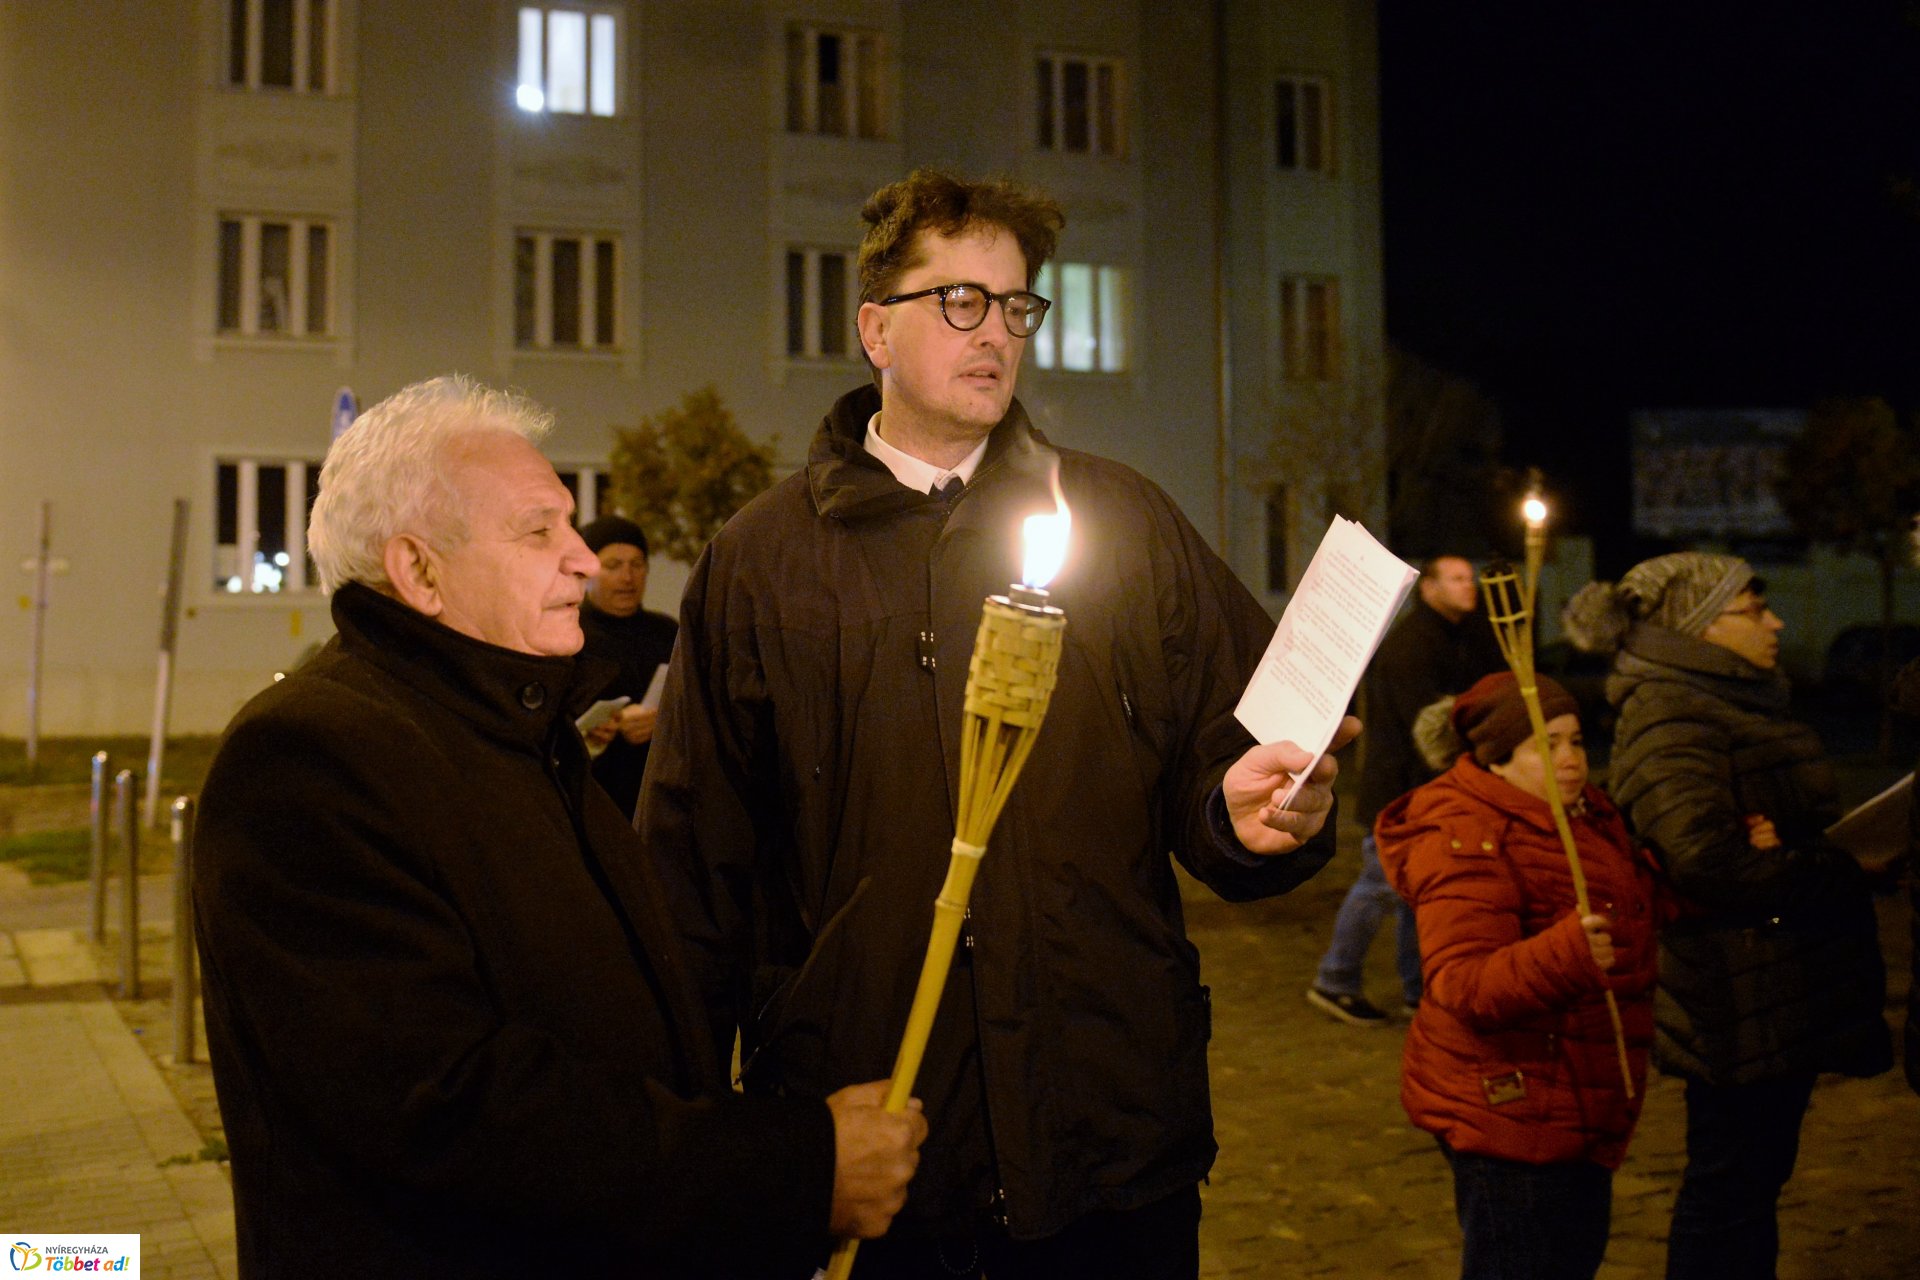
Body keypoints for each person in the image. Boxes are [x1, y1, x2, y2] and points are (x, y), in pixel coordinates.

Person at [637, 169, 1355, 1278]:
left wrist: (1255, 813)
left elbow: (1226, 764)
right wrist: (715, 1146)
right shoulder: (763, 558)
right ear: (877, 326)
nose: (997, 332)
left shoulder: (1121, 521)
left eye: (1016, 304)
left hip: (1109, 1137)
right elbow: (694, 866)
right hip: (875, 1141)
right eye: (959, 301)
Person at [193, 376, 926, 1278]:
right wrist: (796, 1167)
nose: (584, 559)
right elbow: (448, 1110)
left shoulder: (517, 730)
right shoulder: (311, 760)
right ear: (418, 569)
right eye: (540, 530)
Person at [1563, 552, 1891, 1280]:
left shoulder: (1723, 700)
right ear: (1701, 625)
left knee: (1750, 1186)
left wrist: (1794, 843)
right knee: (1729, 1192)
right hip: (1736, 992)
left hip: (1769, 983)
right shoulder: (1673, 710)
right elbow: (1703, 858)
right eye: (1753, 608)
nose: (1774, 621)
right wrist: (1832, 865)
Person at [1377, 672, 1662, 1280]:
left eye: (1577, 742)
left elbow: (1626, 905)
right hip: (1508, 1108)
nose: (1571, 761)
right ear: (1497, 760)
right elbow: (1462, 981)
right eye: (1547, 745)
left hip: (1576, 1096)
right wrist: (1566, 954)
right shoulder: (1464, 835)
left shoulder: (1581, 814)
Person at [1307, 554, 1505, 1026]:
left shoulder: (1464, 635)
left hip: (1426, 785)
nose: (1469, 586)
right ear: (1429, 588)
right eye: (1456, 579)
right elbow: (1427, 725)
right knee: (1380, 885)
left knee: (1420, 892)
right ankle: (1335, 979)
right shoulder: (1412, 645)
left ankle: (1419, 989)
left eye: (1470, 577)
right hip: (1400, 789)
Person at [576, 514, 678, 819]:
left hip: (657, 800)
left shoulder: (667, 632)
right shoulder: (567, 634)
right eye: (613, 566)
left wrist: (663, 721)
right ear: (587, 571)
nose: (627, 577)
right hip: (591, 799)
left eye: (636, 564)